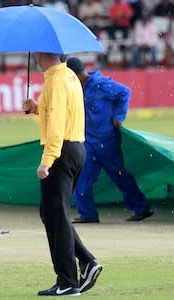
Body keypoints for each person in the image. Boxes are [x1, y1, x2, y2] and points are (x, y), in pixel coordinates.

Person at [22, 53, 102, 296]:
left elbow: (56, 125)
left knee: (56, 214)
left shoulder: (55, 80)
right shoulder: (68, 75)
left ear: (41, 54)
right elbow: (62, 114)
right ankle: (86, 262)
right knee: (51, 212)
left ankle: (68, 280)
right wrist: (37, 109)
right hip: (77, 148)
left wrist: (47, 160)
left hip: (61, 151)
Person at [66, 57, 154, 223]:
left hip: (108, 141)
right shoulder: (77, 88)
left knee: (119, 175)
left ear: (75, 75)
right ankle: (88, 214)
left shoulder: (100, 84)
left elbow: (125, 92)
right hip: (89, 142)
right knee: (82, 177)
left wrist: (119, 116)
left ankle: (141, 208)